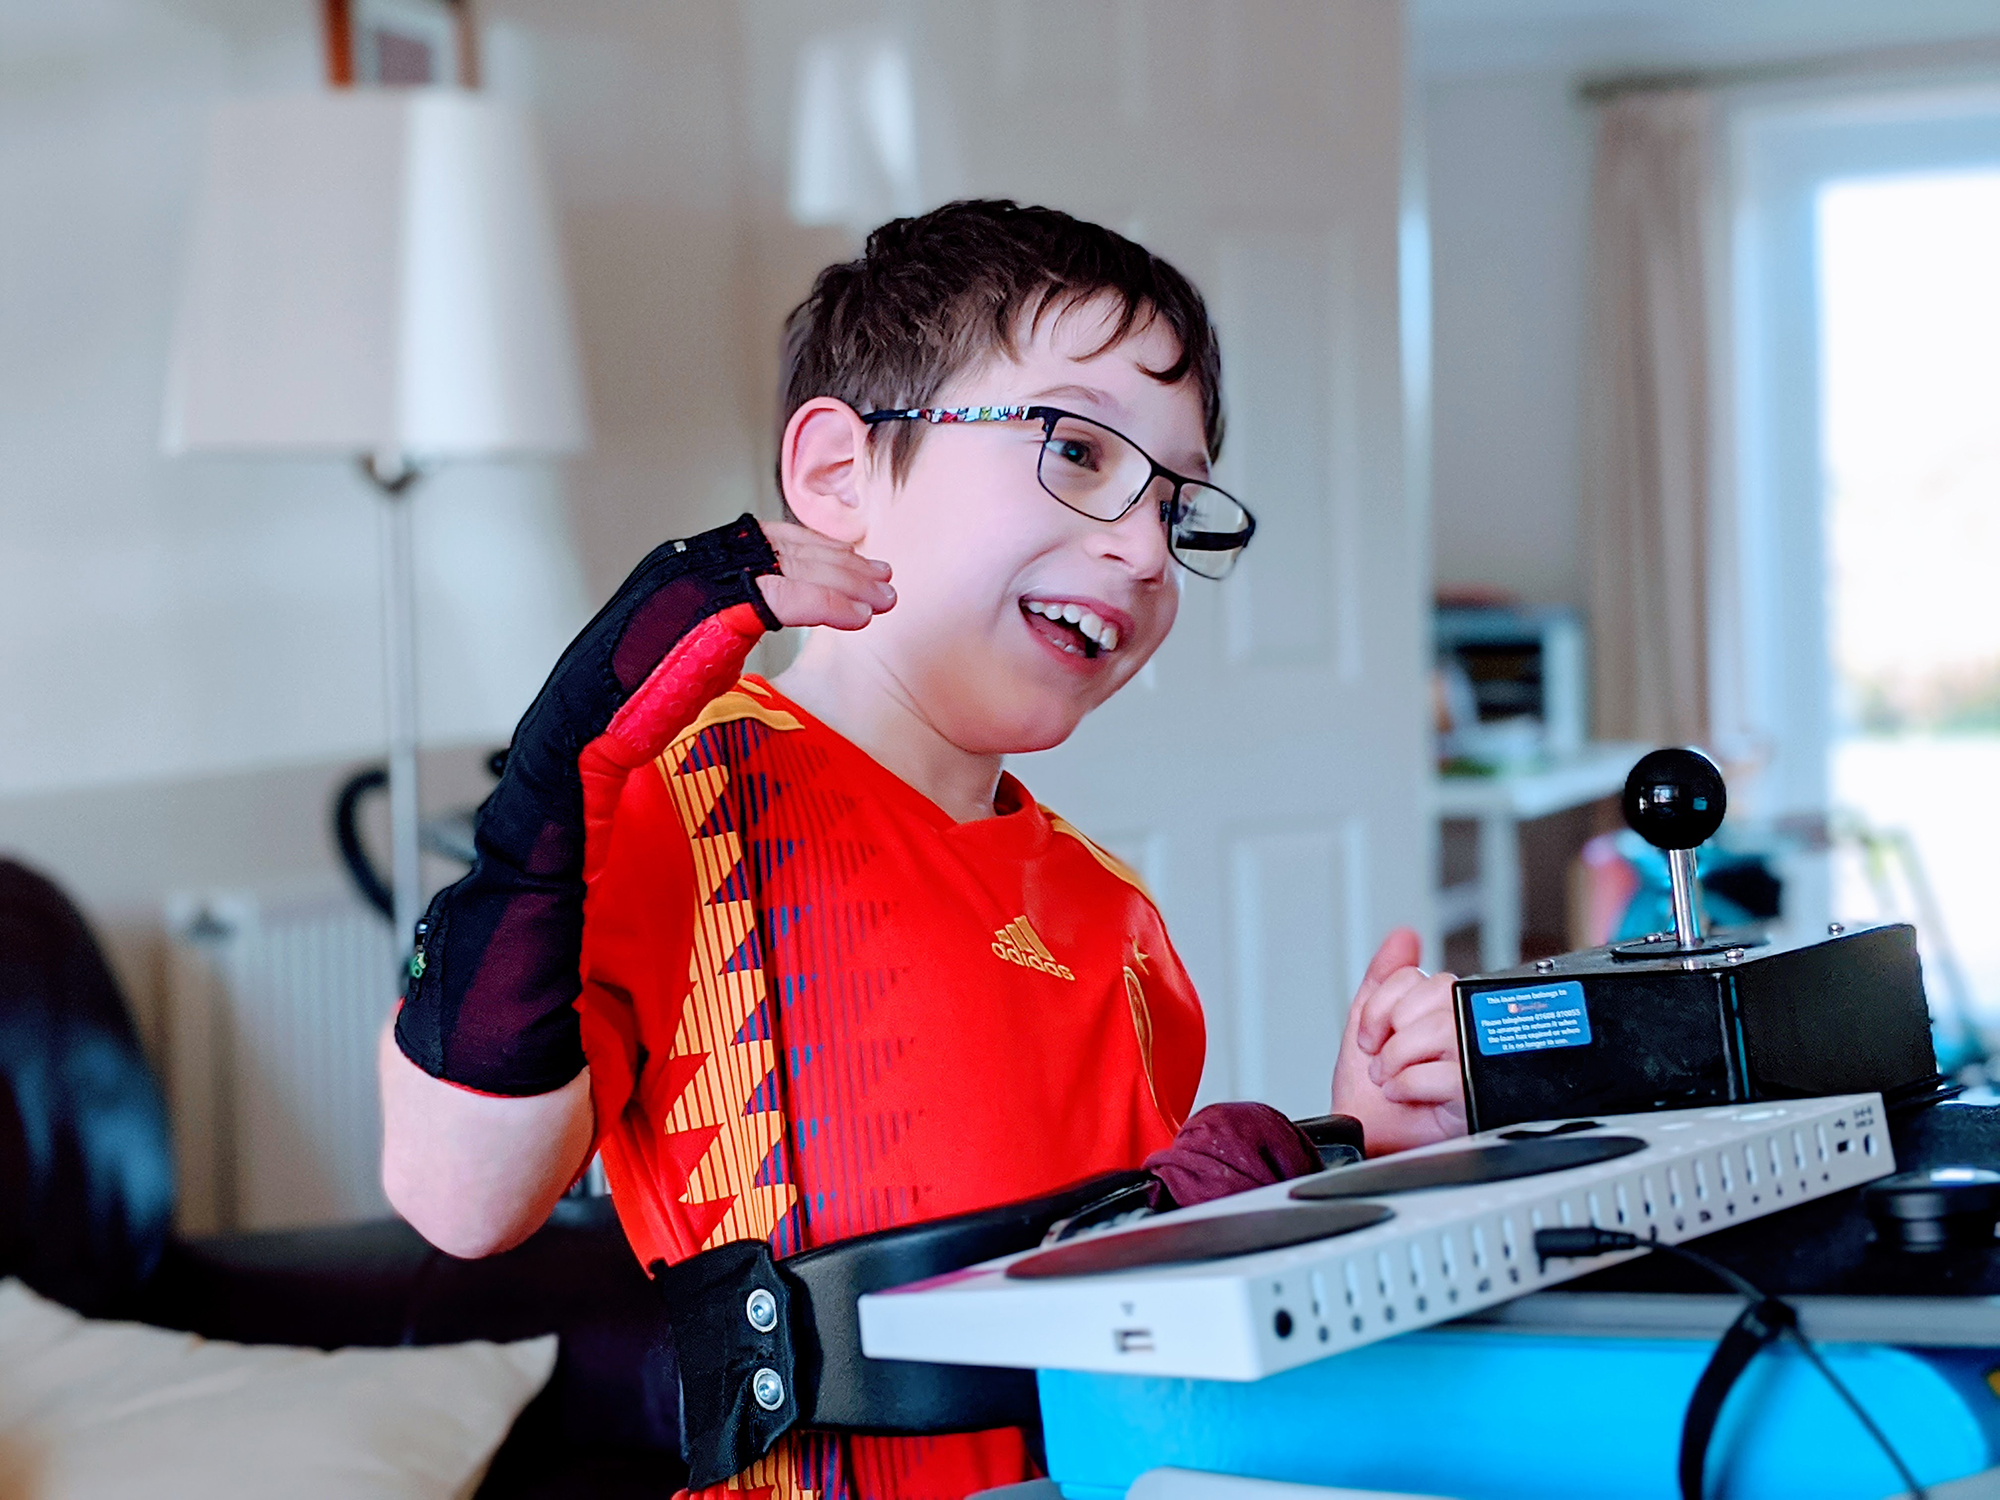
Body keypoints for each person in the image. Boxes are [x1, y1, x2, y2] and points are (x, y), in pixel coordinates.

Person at [380, 200, 1465, 1500]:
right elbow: (459, 1196)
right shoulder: (684, 805)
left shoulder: (1114, 917)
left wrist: (1357, 1150)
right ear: (840, 472)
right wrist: (559, 778)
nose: (1139, 547)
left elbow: (1132, 1314)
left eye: (1177, 506)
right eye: (1077, 449)